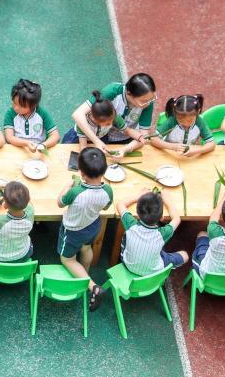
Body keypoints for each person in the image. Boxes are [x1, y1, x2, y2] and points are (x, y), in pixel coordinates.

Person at [57, 147, 112, 309]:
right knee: (86, 248)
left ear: (82, 173)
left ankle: (91, 285)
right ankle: (84, 272)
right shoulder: (108, 190)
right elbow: (106, 207)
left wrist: (68, 186)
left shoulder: (75, 192)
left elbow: (60, 202)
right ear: (104, 171)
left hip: (73, 231)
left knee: (67, 259)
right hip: (92, 225)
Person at [69, 73, 156, 149]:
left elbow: (142, 135)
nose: (148, 103)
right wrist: (96, 141)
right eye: (143, 101)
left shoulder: (148, 102)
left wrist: (125, 149)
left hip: (119, 138)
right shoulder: (112, 91)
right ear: (128, 92)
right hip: (103, 136)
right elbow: (78, 114)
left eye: (151, 98)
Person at [117, 191, 188, 276]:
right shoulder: (163, 233)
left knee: (127, 235)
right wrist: (168, 201)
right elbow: (177, 218)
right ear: (162, 218)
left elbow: (120, 204)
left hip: (128, 265)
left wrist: (137, 196)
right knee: (185, 255)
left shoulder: (131, 224)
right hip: (153, 272)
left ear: (138, 215)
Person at [3, 79, 58, 157]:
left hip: (38, 151)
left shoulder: (42, 113)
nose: (15, 108)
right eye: (14, 103)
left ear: (33, 106)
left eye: (21, 106)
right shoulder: (10, 113)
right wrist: (26, 143)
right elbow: (9, 137)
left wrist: (43, 145)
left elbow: (55, 136)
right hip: (17, 148)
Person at [0, 180, 33, 263]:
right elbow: (28, 202)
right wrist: (13, 189)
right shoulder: (30, 212)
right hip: (22, 255)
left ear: (5, 205)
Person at [150, 95, 216, 157]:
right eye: (181, 120)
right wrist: (172, 147)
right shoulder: (172, 121)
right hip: (169, 154)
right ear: (175, 113)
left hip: (190, 155)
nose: (185, 124)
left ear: (198, 112)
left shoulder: (199, 122)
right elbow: (153, 139)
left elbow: (211, 143)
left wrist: (196, 151)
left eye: (190, 121)